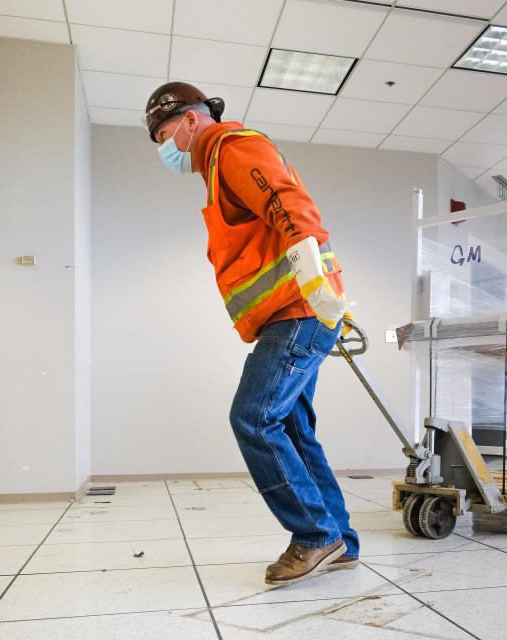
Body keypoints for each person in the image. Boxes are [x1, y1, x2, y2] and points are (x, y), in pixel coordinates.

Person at [144, 82, 359, 586]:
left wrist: (314, 281)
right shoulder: (218, 168)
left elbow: (290, 207)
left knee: (254, 417)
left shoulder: (234, 148)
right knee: (293, 429)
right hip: (294, 312)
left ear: (191, 121)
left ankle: (314, 536)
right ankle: (340, 542)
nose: (162, 147)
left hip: (300, 310)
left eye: (162, 133)